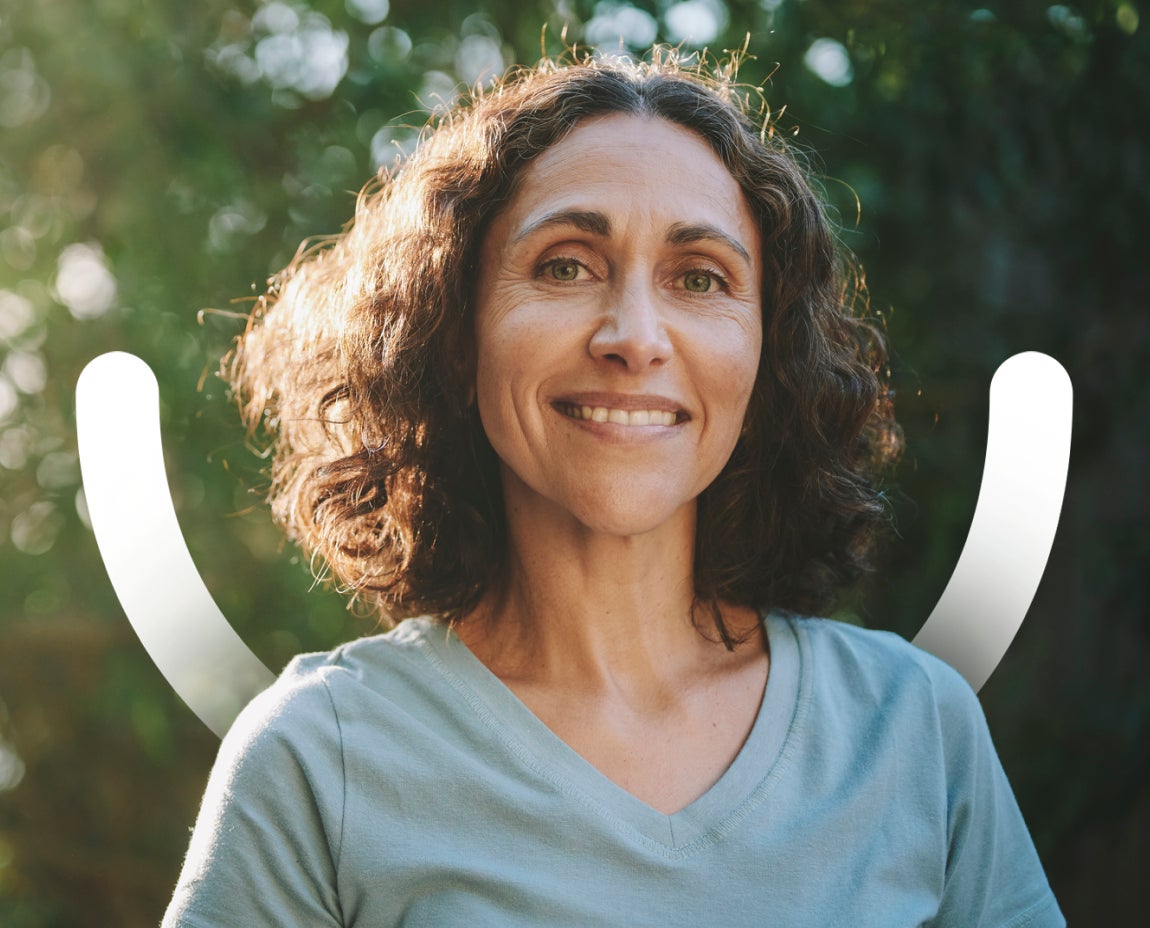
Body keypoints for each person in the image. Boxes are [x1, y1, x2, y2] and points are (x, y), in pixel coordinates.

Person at [162, 51, 1064, 927]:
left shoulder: (915, 729)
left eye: (700, 279)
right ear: (454, 329)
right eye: (565, 264)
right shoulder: (322, 759)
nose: (635, 336)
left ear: (767, 356)